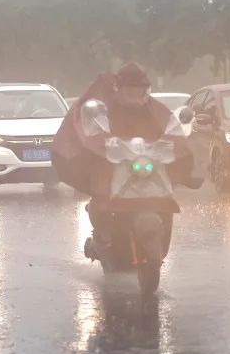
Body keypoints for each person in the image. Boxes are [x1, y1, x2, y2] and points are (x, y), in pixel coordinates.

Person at [52, 62, 196, 261]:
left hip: (148, 168)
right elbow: (93, 134)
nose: (137, 95)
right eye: (132, 90)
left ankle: (158, 240)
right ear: (119, 89)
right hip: (112, 166)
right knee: (100, 199)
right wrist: (104, 148)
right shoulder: (103, 108)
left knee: (169, 192)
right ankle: (102, 238)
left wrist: (180, 156)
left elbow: (173, 131)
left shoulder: (155, 110)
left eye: (142, 90)